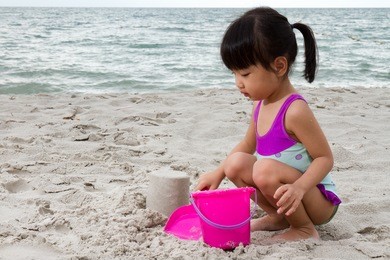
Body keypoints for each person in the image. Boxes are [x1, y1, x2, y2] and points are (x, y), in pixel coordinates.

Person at [195, 7, 341, 242]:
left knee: (263, 169)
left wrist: (300, 188)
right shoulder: (259, 105)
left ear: (279, 66)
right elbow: (247, 144)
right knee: (236, 163)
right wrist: (219, 172)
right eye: (234, 74)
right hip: (288, 193)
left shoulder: (294, 110)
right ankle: (279, 217)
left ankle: (304, 229)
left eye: (245, 74)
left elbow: (325, 158)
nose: (238, 83)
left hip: (316, 199)